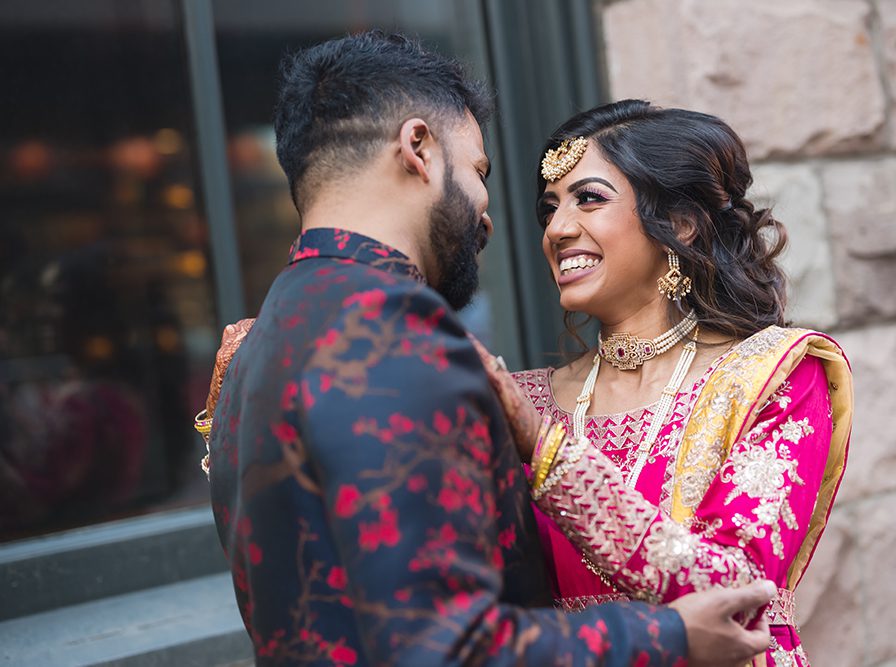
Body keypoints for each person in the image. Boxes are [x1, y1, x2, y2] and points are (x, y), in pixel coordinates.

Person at [199, 32, 774, 666]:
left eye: (587, 199)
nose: (491, 215)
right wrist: (668, 636)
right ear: (418, 149)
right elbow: (450, 648)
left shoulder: (254, 350)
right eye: (479, 171)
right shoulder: (391, 332)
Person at [481, 101, 853, 667]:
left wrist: (549, 454)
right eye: (549, 208)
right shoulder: (524, 401)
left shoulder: (773, 376)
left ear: (678, 223)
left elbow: (736, 589)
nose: (557, 229)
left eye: (589, 198)